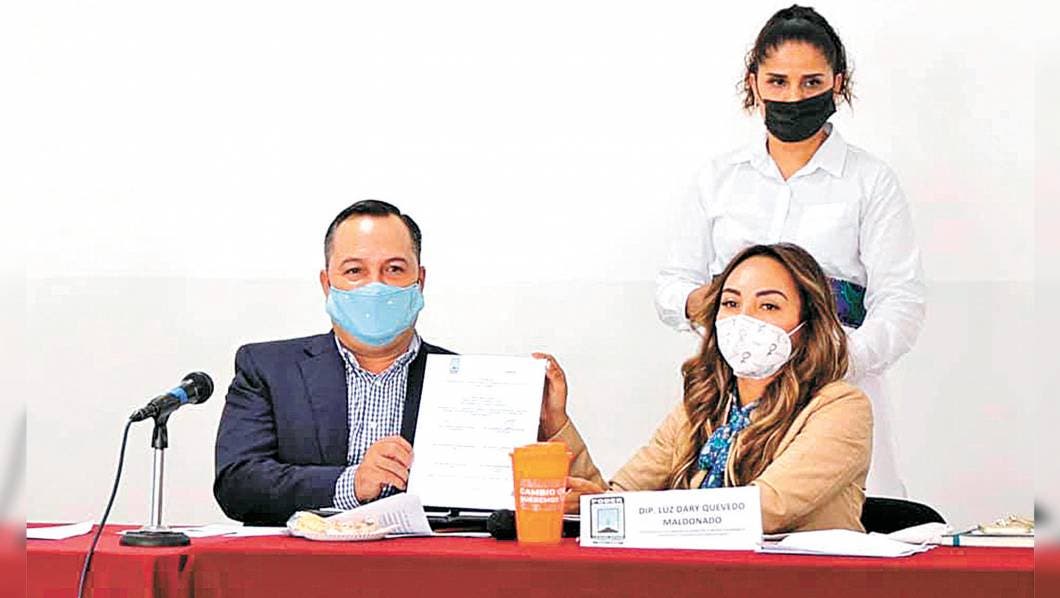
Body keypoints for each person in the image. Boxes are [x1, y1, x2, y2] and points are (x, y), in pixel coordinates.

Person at [654, 5, 924, 497]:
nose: (794, 97)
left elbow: (901, 303)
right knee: (726, 514)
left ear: (838, 83)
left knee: (839, 521)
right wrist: (723, 307)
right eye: (777, 81)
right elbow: (672, 286)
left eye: (811, 82)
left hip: (835, 392)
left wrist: (827, 361)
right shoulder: (719, 179)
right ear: (753, 83)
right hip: (732, 391)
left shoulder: (870, 181)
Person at [540, 244, 873, 533]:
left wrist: (618, 509)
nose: (744, 319)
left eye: (768, 306)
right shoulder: (702, 406)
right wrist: (556, 421)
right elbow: (612, 502)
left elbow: (765, 509)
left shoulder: (842, 408)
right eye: (730, 303)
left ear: (808, 325)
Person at [214, 200, 454, 525]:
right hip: (307, 557)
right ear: (327, 284)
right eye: (355, 271)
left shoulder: (466, 381)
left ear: (420, 281)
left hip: (424, 556)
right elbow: (238, 484)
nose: (375, 286)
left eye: (394, 269)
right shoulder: (268, 369)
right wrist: (351, 484)